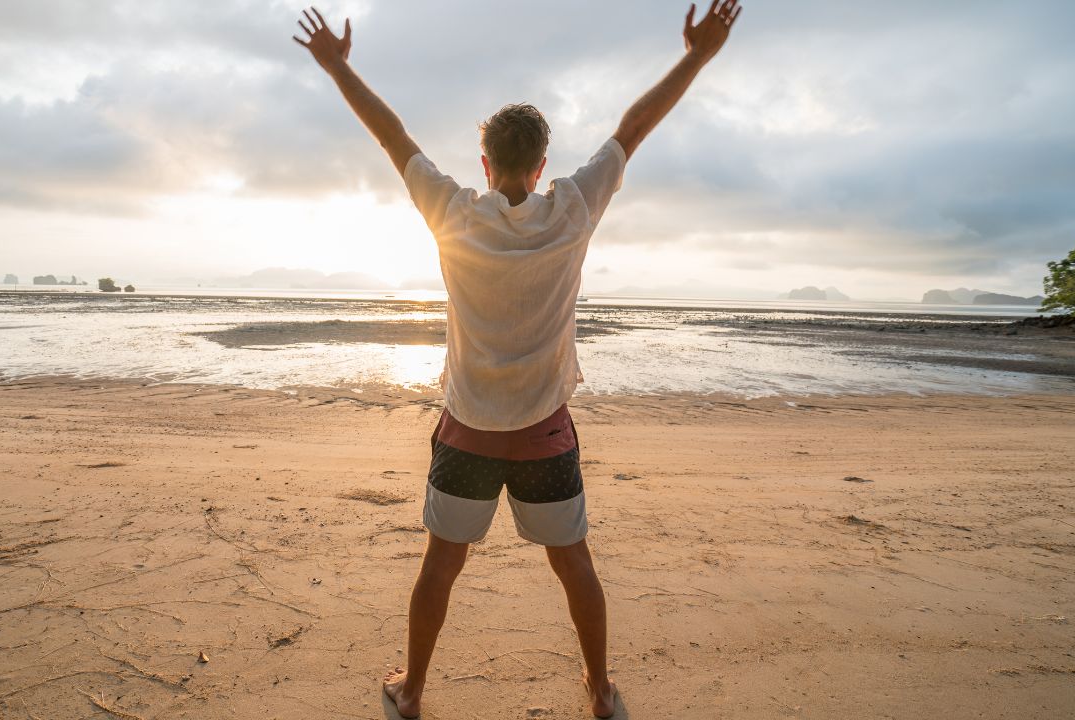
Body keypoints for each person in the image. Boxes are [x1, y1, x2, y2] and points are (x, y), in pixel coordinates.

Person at [293, 3, 741, 716]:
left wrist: (338, 67)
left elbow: (393, 137)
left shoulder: (453, 213)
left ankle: (411, 693)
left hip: (468, 428)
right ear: (540, 165)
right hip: (544, 432)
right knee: (575, 567)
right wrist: (698, 56)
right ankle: (599, 693)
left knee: (441, 566)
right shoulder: (572, 209)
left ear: (484, 164)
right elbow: (632, 130)